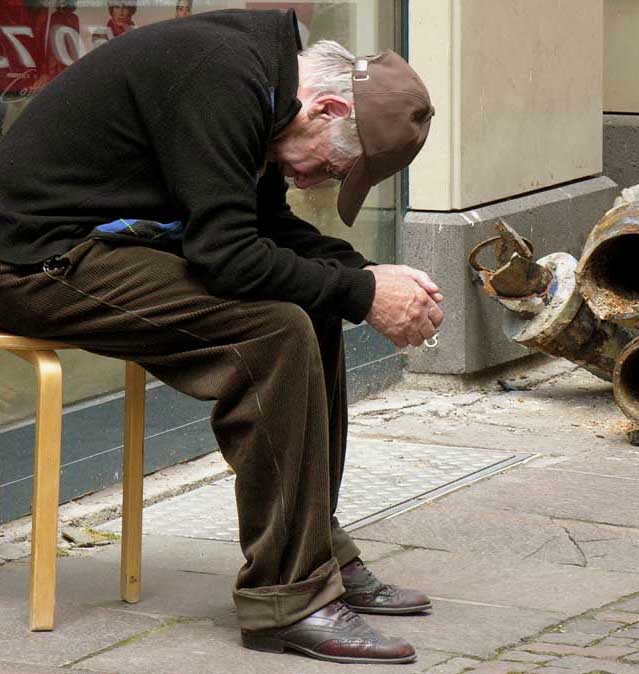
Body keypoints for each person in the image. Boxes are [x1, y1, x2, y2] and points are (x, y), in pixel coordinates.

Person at [0, 8, 441, 666]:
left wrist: (366, 274)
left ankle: (314, 548)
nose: (313, 182)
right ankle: (288, 601)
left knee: (310, 307)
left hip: (92, 249)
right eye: (332, 167)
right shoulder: (223, 79)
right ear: (321, 108)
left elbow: (262, 230)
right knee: (273, 331)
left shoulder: (262, 88)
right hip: (31, 262)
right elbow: (229, 257)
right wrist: (365, 294)